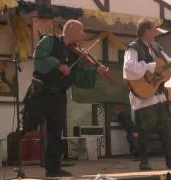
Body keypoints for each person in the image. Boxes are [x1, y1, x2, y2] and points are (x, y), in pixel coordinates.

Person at [22, 19, 108, 177]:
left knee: (56, 132)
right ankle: (20, 166)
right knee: (28, 128)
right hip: (40, 92)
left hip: (59, 96)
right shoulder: (49, 41)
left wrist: (96, 71)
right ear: (71, 28)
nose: (83, 34)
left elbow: (79, 77)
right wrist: (57, 65)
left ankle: (53, 169)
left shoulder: (76, 52)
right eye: (81, 31)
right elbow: (38, 58)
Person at [123, 19, 171, 170]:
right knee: (144, 131)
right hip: (143, 96)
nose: (156, 32)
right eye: (154, 29)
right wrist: (150, 66)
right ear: (145, 31)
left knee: (166, 128)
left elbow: (168, 64)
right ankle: (144, 162)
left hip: (158, 95)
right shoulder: (133, 48)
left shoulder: (156, 46)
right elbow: (129, 68)